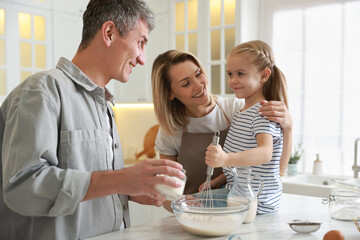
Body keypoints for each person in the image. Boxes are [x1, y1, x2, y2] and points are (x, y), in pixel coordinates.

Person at [0, 0, 185, 239]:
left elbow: (90, 183)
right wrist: (121, 180)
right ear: (109, 33)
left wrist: (127, 190)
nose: (142, 59)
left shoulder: (105, 104)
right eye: (140, 43)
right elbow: (23, 188)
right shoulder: (42, 91)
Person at [151, 49, 292, 211]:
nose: (198, 86)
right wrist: (181, 204)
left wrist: (288, 128)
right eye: (186, 83)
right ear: (169, 94)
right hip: (192, 215)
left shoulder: (237, 111)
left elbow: (275, 166)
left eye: (198, 74)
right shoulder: (170, 131)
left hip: (234, 209)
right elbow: (167, 195)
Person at [205, 40, 288, 214]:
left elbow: (265, 153)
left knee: (191, 206)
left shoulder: (262, 111)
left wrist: (225, 159)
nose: (233, 80)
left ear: (264, 76)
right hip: (239, 195)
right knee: (191, 204)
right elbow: (244, 167)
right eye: (230, 74)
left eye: (240, 74)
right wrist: (218, 180)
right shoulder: (243, 111)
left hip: (256, 201)